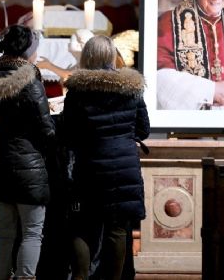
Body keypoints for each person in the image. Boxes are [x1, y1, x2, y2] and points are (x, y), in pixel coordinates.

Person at [61, 35, 150, 280]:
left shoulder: (77, 91)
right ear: (112, 56)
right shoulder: (131, 88)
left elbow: (68, 132)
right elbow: (143, 129)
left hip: (90, 165)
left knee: (83, 223)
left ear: (87, 57)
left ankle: (79, 278)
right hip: (124, 166)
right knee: (118, 227)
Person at [0, 25, 56, 280]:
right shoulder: (30, 82)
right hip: (28, 167)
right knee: (32, 231)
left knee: (5, 232)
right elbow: (47, 130)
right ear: (28, 51)